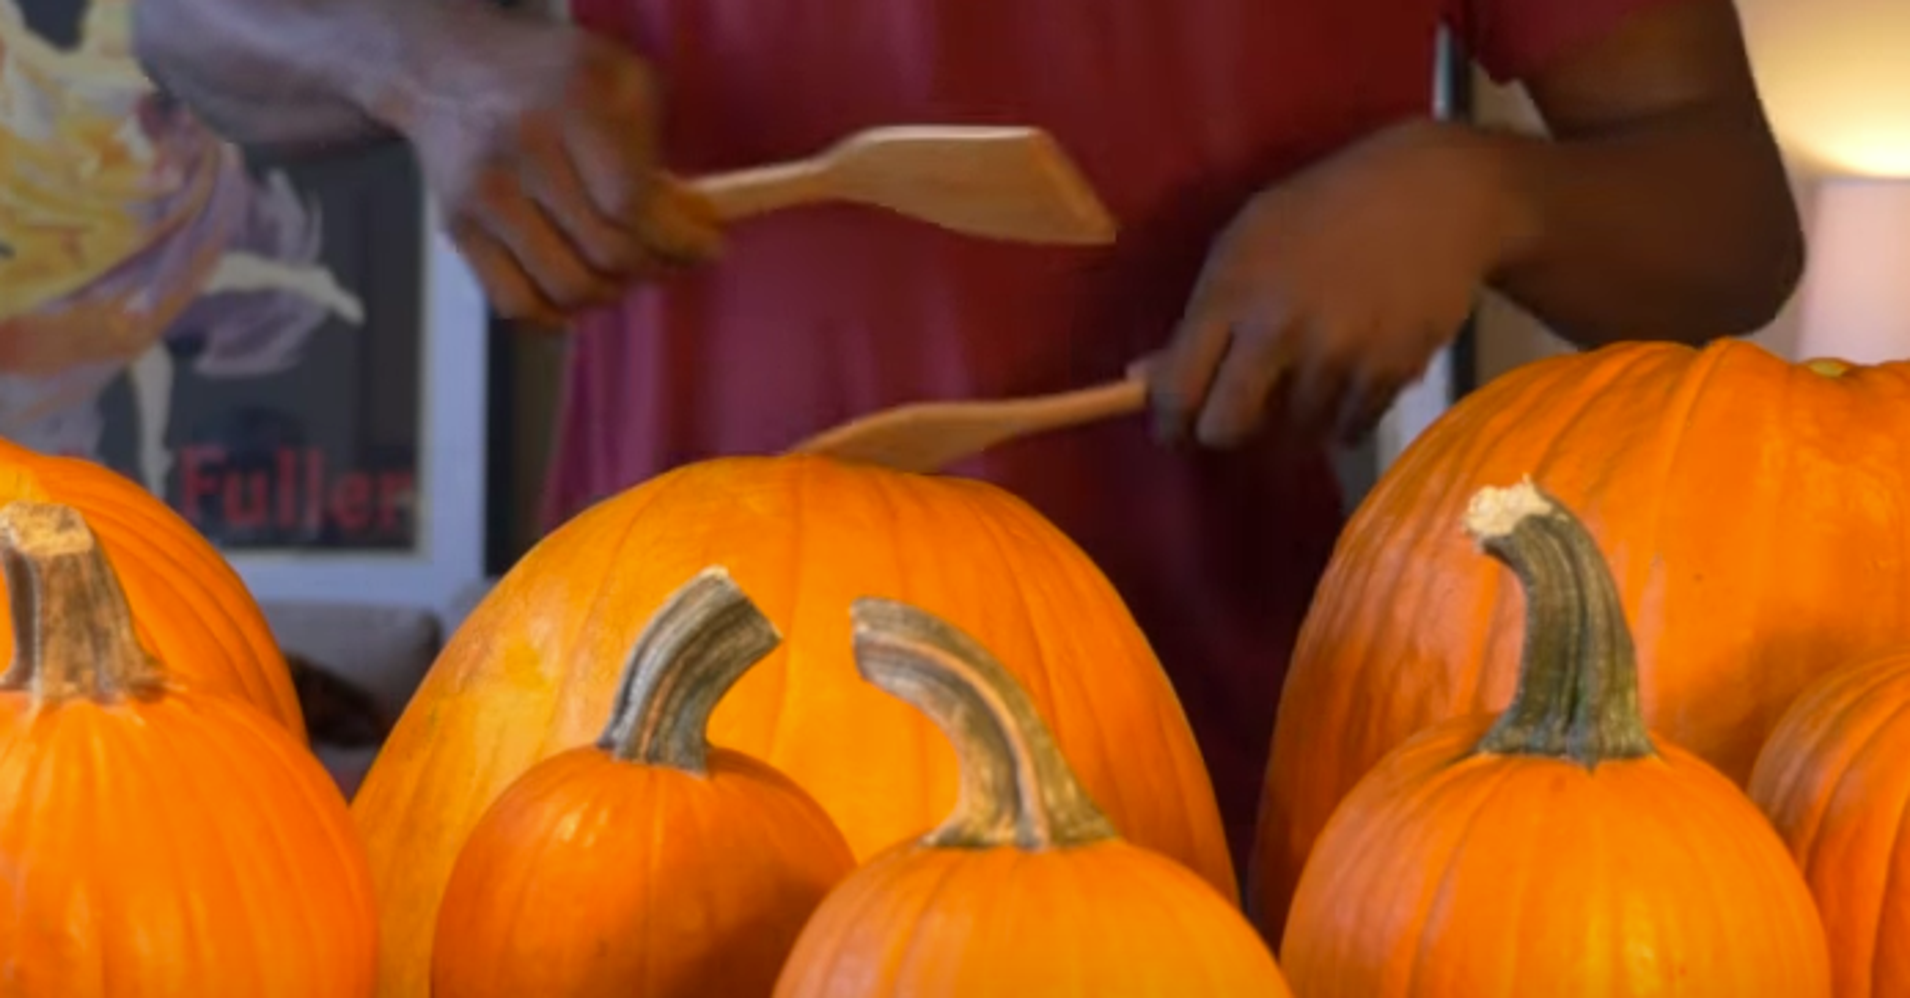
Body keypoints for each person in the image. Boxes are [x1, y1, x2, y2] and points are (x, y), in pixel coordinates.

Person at [132, 0, 1801, 870]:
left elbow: (1731, 222)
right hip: (633, 790)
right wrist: (418, 59)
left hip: (1211, 814)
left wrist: (1484, 187)